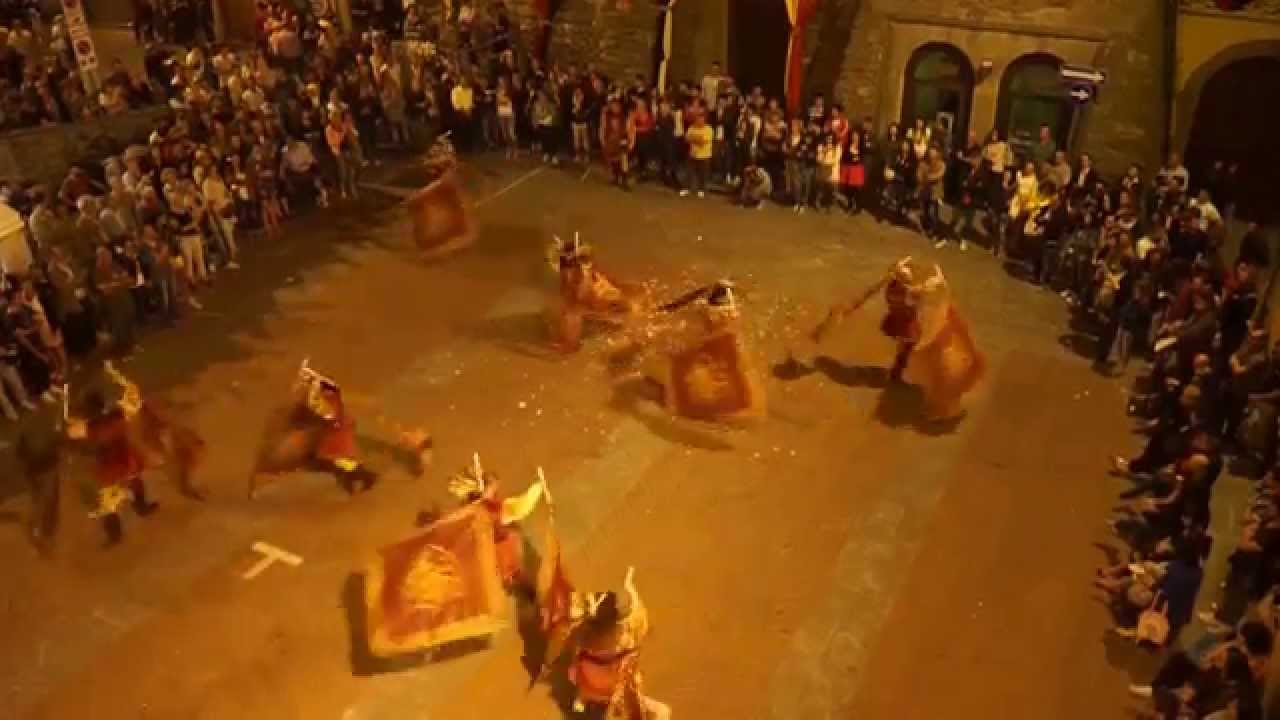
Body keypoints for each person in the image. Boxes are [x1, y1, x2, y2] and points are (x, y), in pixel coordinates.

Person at [249, 360, 378, 499]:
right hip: (320, 436)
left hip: (329, 435)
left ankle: (363, 477)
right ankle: (358, 478)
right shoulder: (313, 397)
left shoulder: (323, 398)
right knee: (324, 462)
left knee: (335, 461)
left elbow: (326, 413)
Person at [567, 568, 671, 720]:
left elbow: (574, 655)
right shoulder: (626, 643)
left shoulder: (585, 640)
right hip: (614, 687)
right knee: (663, 711)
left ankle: (582, 697)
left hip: (589, 681)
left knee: (579, 669)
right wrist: (629, 588)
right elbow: (639, 622)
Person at [681, 112, 713, 199]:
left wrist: (693, 138)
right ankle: (687, 188)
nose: (699, 121)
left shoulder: (709, 129)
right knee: (689, 172)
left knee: (703, 174)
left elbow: (702, 142)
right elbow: (686, 138)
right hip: (692, 154)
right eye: (698, 119)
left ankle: (701, 190)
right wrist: (696, 138)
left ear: (704, 120)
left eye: (701, 119)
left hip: (704, 156)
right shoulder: (692, 128)